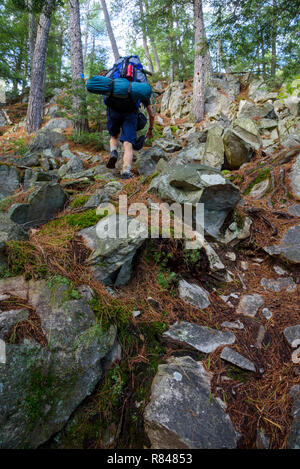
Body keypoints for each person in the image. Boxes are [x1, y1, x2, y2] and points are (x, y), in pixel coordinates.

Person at [104, 75, 155, 180]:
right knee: (128, 143)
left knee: (114, 136)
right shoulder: (138, 89)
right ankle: (126, 172)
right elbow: (151, 114)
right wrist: (150, 129)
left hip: (113, 111)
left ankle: (113, 151)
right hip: (131, 113)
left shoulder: (115, 83)